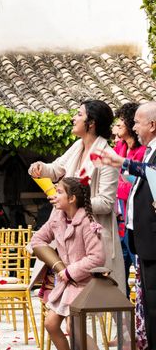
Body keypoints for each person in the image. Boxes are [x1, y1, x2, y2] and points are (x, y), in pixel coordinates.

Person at [29, 100, 124, 295]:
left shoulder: (107, 155)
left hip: (90, 236)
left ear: (92, 123)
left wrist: (71, 202)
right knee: (58, 302)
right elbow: (56, 168)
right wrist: (40, 168)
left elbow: (106, 203)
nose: (74, 118)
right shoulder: (77, 146)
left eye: (79, 114)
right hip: (65, 230)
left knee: (80, 301)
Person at [100, 101, 156, 350]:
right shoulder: (148, 151)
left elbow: (153, 176)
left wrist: (124, 162)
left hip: (153, 238)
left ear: (152, 125)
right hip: (142, 238)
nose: (133, 127)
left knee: (155, 300)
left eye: (136, 122)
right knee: (147, 299)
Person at [30, 178, 106, 350]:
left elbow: (97, 257)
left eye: (59, 192)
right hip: (66, 283)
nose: (54, 196)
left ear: (72, 198)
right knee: (51, 324)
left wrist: (70, 271)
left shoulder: (88, 223)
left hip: (86, 284)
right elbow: (37, 240)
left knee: (74, 326)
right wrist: (58, 266)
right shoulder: (57, 218)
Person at [112, 103, 146, 294]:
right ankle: (124, 316)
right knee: (119, 270)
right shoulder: (119, 147)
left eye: (121, 122)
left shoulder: (142, 152)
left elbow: (139, 186)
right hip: (118, 216)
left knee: (136, 263)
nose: (117, 126)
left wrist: (121, 184)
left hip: (132, 214)